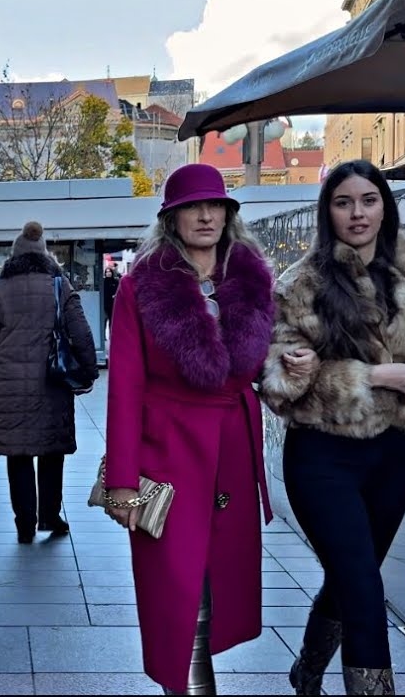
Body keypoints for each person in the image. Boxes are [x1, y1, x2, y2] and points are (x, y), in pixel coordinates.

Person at [259, 159, 405, 696]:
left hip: (392, 457)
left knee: (354, 577)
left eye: (368, 200)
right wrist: (365, 374)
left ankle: (307, 668)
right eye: (344, 202)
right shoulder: (301, 283)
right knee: (365, 589)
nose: (357, 213)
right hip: (322, 458)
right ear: (328, 212)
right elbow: (276, 387)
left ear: (384, 205)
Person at [104, 163, 309, 695]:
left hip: (232, 452)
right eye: (192, 207)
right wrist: (122, 482)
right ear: (170, 219)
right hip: (168, 452)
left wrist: (293, 367)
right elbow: (124, 385)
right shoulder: (140, 286)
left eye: (215, 205)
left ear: (228, 214)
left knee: (217, 585)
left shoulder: (253, 278)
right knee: (178, 588)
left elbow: (267, 364)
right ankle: (191, 686)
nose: (205, 215)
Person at [0, 221, 98, 543]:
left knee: (19, 455)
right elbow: (80, 332)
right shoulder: (59, 285)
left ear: (14, 257)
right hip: (51, 382)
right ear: (44, 255)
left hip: (8, 384)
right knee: (51, 452)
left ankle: (24, 524)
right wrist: (89, 371)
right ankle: (50, 517)